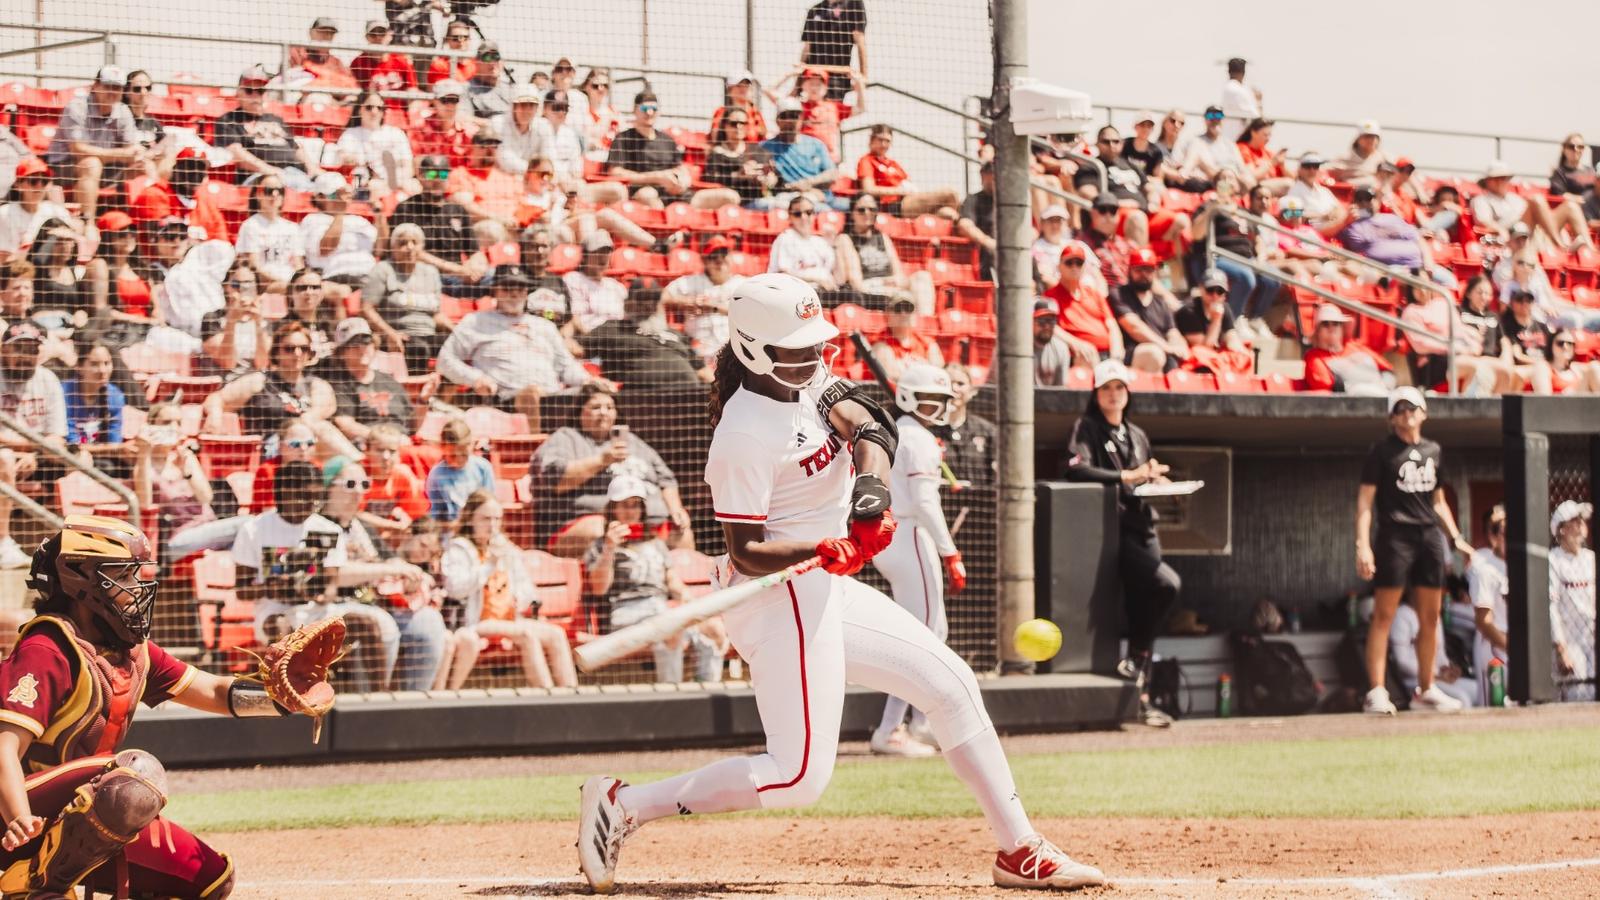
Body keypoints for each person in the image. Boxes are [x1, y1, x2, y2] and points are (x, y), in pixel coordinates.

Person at [577, 272, 1105, 893]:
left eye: (816, 346)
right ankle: (624, 803)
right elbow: (747, 552)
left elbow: (870, 423)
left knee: (952, 683)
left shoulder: (806, 377)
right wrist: (828, 546)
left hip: (823, 587)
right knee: (799, 776)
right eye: (800, 349)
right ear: (754, 350)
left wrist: (870, 495)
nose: (816, 358)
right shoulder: (743, 433)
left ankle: (1021, 850)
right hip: (778, 599)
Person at [0, 515, 332, 897]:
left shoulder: (129, 651)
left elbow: (212, 690)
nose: (138, 586)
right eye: (125, 576)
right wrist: (19, 820)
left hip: (79, 813)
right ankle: (32, 881)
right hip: (16, 815)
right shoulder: (47, 647)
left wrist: (278, 699)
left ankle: (52, 868)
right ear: (82, 580)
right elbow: (4, 748)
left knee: (210, 879)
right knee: (132, 776)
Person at [1063, 359, 1182, 728]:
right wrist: (1127, 475)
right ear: (1096, 394)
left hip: (1143, 527)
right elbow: (1076, 468)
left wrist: (1154, 480)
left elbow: (1141, 478)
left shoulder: (1138, 434)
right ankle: (1133, 668)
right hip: (1110, 531)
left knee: (1154, 595)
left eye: (1120, 388)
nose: (1114, 394)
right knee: (1165, 584)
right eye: (1106, 388)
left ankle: (1139, 684)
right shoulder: (1087, 428)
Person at [1354, 388, 1474, 715]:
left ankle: (1427, 689)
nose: (1407, 413)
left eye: (1413, 407)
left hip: (1429, 537)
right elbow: (1365, 501)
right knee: (1384, 615)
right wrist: (1363, 545)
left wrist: (1457, 538)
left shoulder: (1434, 450)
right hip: (1394, 535)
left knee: (1431, 617)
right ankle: (1376, 692)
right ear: (1391, 417)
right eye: (1400, 408)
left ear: (1424, 413)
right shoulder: (1381, 452)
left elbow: (1438, 502)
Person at [232, 460, 398, 692]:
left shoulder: (329, 529)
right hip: (274, 608)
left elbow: (331, 585)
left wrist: (323, 595)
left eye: (316, 497)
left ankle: (379, 696)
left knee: (367, 624)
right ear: (283, 493)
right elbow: (241, 590)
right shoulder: (254, 530)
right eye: (304, 496)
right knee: (281, 628)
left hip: (317, 609)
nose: (311, 504)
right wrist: (272, 588)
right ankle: (292, 694)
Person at [868, 364, 965, 755]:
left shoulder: (896, 431)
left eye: (940, 401)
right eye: (928, 400)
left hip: (894, 534)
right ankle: (890, 730)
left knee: (933, 632)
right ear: (909, 398)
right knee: (922, 639)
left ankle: (921, 722)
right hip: (908, 534)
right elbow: (925, 503)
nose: (935, 407)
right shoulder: (917, 439)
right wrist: (950, 552)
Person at [318, 455, 446, 692]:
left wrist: (412, 576)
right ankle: (373, 705)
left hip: (378, 602)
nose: (358, 492)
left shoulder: (362, 527)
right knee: (379, 624)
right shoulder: (318, 526)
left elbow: (390, 560)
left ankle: (411, 702)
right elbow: (333, 575)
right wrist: (391, 568)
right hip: (336, 607)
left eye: (364, 485)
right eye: (350, 484)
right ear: (327, 488)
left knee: (430, 621)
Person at [585, 475, 724, 684]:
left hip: (660, 609)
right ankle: (670, 699)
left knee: (712, 628)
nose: (630, 511)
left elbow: (673, 583)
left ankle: (707, 691)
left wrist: (694, 607)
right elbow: (598, 588)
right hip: (626, 613)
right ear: (612, 508)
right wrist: (609, 549)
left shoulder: (656, 542)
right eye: (624, 505)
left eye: (635, 505)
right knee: (671, 628)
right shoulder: (600, 546)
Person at [532, 382, 692, 557]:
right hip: (590, 523)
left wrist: (676, 510)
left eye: (609, 407)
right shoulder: (566, 438)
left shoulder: (631, 441)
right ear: (580, 412)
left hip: (647, 525)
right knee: (600, 530)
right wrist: (602, 460)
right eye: (596, 407)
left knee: (682, 535)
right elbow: (554, 480)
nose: (604, 412)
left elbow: (666, 480)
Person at [440, 489, 578, 689]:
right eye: (486, 519)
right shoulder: (459, 548)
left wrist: (520, 600)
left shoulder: (504, 547)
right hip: (477, 622)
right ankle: (550, 699)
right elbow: (455, 588)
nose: (492, 525)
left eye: (497, 519)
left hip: (510, 619)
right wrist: (488, 566)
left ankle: (572, 695)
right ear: (470, 519)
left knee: (556, 634)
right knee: (527, 636)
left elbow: (525, 588)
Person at [438, 265, 593, 433]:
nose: (514, 293)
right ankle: (535, 449)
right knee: (531, 394)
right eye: (507, 287)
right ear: (495, 290)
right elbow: (445, 360)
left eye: (520, 288)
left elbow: (566, 367)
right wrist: (475, 379)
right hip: (506, 399)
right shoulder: (476, 322)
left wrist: (590, 381)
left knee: (598, 395)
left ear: (527, 292)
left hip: (554, 397)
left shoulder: (544, 326)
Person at [204, 320, 361, 460]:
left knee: (314, 428)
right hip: (271, 448)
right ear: (276, 352)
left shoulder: (317, 385)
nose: (297, 354)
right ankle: (361, 466)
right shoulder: (260, 381)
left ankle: (359, 469)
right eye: (289, 349)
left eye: (303, 349)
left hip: (308, 448)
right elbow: (216, 398)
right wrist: (215, 415)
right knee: (315, 429)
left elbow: (317, 414)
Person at [0, 322, 66, 565]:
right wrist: (31, 448)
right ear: (3, 350)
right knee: (4, 458)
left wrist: (35, 456)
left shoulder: (48, 380)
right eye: (19, 350)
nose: (26, 357)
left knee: (80, 458)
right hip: (5, 457)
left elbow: (57, 436)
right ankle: (2, 543)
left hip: (36, 458)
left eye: (32, 350)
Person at [45, 65, 140, 226]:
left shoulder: (123, 110)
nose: (112, 92)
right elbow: (78, 150)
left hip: (107, 167)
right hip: (63, 167)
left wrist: (124, 155)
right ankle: (87, 223)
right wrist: (120, 154)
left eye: (116, 88)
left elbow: (133, 150)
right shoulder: (77, 106)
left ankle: (144, 226)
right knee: (91, 163)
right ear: (95, 85)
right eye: (107, 86)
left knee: (143, 164)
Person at [607, 91, 735, 211]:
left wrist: (683, 180)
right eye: (644, 109)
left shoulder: (667, 140)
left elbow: (680, 168)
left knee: (729, 196)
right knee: (647, 194)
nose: (650, 112)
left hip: (676, 193)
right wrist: (657, 178)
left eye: (654, 109)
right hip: (644, 191)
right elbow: (615, 172)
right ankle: (669, 232)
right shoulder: (623, 138)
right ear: (635, 111)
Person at [584, 279, 709, 388]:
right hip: (641, 402)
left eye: (654, 300)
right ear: (628, 303)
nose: (648, 305)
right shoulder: (613, 329)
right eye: (642, 299)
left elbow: (703, 372)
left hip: (689, 401)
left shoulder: (677, 335)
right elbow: (576, 350)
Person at [214, 66, 321, 192]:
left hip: (294, 173)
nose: (255, 96)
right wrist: (270, 170)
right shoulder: (228, 120)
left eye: (260, 91)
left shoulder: (275, 119)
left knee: (333, 184)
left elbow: (296, 148)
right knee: (276, 183)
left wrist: (312, 168)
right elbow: (237, 154)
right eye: (249, 90)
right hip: (259, 176)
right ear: (238, 93)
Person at [361, 223, 445, 375]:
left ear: (422, 246)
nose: (410, 247)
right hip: (400, 334)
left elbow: (437, 315)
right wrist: (389, 333)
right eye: (403, 243)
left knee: (456, 345)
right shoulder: (383, 269)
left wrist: (459, 333)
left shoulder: (431, 272)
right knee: (418, 349)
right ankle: (415, 395)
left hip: (429, 334)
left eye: (414, 242)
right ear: (393, 248)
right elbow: (367, 308)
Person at [325, 317, 422, 447]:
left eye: (366, 341)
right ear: (342, 353)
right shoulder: (339, 385)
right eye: (354, 343)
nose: (361, 348)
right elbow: (345, 425)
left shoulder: (389, 380)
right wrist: (386, 440)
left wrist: (424, 400)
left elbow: (412, 425)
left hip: (403, 441)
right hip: (370, 447)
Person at [131, 401, 215, 547]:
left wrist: (186, 470)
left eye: (178, 422)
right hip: (180, 536)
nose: (173, 427)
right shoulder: (144, 462)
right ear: (151, 425)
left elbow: (206, 498)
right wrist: (144, 451)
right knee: (247, 525)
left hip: (208, 527)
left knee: (250, 539)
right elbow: (144, 503)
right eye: (166, 422)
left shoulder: (185, 456)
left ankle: (265, 567)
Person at [836, 193, 935, 313]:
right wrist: (883, 282)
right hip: (869, 291)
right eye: (861, 210)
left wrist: (895, 282)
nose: (867, 213)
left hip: (892, 287)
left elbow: (899, 275)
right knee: (903, 298)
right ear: (852, 213)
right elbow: (856, 281)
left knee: (923, 277)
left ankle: (925, 324)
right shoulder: (845, 238)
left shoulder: (882, 237)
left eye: (872, 209)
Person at [390, 155, 475, 283]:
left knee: (495, 277)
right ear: (420, 177)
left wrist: (476, 268)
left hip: (458, 277)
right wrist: (456, 269)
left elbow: (474, 250)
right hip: (420, 276)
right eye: (431, 174)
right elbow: (411, 252)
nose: (437, 179)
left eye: (443, 174)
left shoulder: (457, 210)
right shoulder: (407, 208)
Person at [1473, 160, 1592, 251]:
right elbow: (1484, 221)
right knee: (1536, 200)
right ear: (1488, 181)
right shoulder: (1481, 200)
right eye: (1497, 178)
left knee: (1570, 206)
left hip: (1534, 229)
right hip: (1513, 234)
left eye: (1505, 178)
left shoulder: (1514, 198)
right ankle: (1561, 246)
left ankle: (1591, 251)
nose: (1502, 181)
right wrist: (1500, 229)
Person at [299, 173, 384, 300]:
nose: (341, 199)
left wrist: (379, 214)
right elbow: (325, 248)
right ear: (320, 197)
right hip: (336, 278)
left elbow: (380, 250)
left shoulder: (359, 220)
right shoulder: (312, 220)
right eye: (334, 195)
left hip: (370, 276)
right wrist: (340, 213)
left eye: (343, 194)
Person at [1388, 594, 1476, 708]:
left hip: (1439, 678)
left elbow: (1440, 654)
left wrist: (1448, 668)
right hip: (1413, 680)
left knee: (1478, 690)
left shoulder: (1433, 614)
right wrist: (1435, 674)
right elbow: (1402, 661)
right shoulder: (1401, 614)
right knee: (1462, 698)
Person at [663, 235, 742, 362]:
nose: (720, 260)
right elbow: (661, 296)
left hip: (733, 351)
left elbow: (753, 312)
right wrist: (687, 301)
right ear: (704, 261)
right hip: (698, 350)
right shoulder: (691, 282)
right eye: (714, 257)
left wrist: (714, 306)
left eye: (724, 255)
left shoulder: (741, 284)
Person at [1548, 500, 1596, 702]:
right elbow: (1552, 607)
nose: (1580, 525)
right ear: (1561, 530)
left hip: (1593, 637)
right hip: (1570, 641)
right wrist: (1561, 649)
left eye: (1581, 520)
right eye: (1574, 521)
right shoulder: (1553, 560)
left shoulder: (1591, 558)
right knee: (1579, 695)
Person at [1112, 247, 1187, 374]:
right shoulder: (1119, 293)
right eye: (1138, 269)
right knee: (1154, 353)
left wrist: (1179, 347)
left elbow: (1172, 332)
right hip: (1132, 354)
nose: (1144, 274)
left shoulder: (1160, 302)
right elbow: (1134, 327)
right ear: (1129, 270)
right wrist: (1166, 347)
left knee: (1177, 364)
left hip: (1163, 354)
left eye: (1148, 269)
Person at [760, 98, 843, 212]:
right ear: (777, 120)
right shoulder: (766, 147)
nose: (790, 120)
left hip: (817, 195)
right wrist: (767, 178)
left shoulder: (815, 144)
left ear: (801, 118)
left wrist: (808, 183)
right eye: (786, 116)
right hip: (785, 198)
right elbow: (762, 177)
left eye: (794, 115)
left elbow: (832, 173)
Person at [1044, 243, 1120, 365]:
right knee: (1086, 357)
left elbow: (1112, 326)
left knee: (1149, 354)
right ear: (1059, 266)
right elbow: (1049, 326)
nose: (1074, 267)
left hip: (1108, 354)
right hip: (1080, 355)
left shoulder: (1094, 293)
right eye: (1069, 263)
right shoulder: (1049, 297)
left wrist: (1117, 353)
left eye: (1079, 263)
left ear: (1084, 267)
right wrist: (1075, 342)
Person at [196, 258, 270, 381]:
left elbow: (262, 363)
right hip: (226, 382)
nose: (241, 289)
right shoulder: (212, 319)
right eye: (236, 284)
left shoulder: (266, 321)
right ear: (226, 287)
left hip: (258, 383)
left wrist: (257, 323)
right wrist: (231, 320)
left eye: (248, 284)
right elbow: (227, 363)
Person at [335, 90, 416, 201]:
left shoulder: (396, 133)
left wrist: (398, 182)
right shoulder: (350, 134)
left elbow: (408, 166)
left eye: (379, 108)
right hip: (366, 184)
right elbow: (343, 159)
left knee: (415, 186)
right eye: (369, 107)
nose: (374, 112)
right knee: (374, 186)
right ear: (359, 110)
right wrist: (356, 160)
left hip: (398, 181)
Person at [1302, 304, 1394, 394]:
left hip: (1382, 395)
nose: (1331, 328)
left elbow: (1388, 370)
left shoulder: (1355, 347)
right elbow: (1325, 385)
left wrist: (1384, 386)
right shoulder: (1313, 357)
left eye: (1335, 323)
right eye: (1325, 324)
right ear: (1318, 331)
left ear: (1342, 328)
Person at [234, 174, 303, 294]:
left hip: (292, 282)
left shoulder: (293, 228)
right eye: (268, 191)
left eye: (279, 191)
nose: (275, 195)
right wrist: (289, 284)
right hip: (265, 285)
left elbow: (299, 265)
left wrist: (300, 282)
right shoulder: (250, 226)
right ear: (257, 194)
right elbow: (254, 266)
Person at [1173, 270, 1252, 374]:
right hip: (1190, 359)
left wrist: (1240, 351)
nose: (1215, 295)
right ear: (1201, 289)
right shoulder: (1189, 310)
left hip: (1212, 357)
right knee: (1202, 354)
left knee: (1243, 355)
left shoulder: (1224, 307)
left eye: (1220, 291)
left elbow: (1232, 338)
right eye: (1210, 290)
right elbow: (1204, 348)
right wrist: (1216, 320)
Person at [1469, 504, 1510, 706]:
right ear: (1495, 537)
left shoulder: (1523, 564)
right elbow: (1483, 622)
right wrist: (1511, 647)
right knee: (1492, 707)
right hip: (1494, 646)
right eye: (1505, 532)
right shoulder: (1484, 567)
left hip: (1515, 646)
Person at [768, 195, 844, 301]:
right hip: (796, 295)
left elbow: (840, 279)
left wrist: (835, 245)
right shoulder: (785, 238)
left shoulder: (820, 242)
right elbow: (782, 275)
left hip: (824, 293)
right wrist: (817, 279)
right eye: (797, 214)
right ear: (789, 217)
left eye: (808, 212)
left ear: (814, 214)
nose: (804, 217)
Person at [702, 108, 776, 206]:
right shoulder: (716, 153)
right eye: (733, 123)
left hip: (760, 200)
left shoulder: (759, 150)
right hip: (730, 204)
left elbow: (775, 177)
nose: (738, 126)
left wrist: (769, 178)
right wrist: (738, 176)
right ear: (724, 126)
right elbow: (709, 178)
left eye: (743, 123)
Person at [425, 417, 495, 522]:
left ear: (471, 445)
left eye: (464, 454)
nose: (458, 460)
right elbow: (435, 517)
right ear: (442, 448)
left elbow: (490, 506)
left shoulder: (483, 468)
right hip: (450, 531)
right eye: (452, 456)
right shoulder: (437, 475)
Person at [62, 340, 124, 455]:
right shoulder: (64, 394)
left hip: (103, 459)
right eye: (94, 364)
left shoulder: (115, 395)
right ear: (79, 367)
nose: (103, 370)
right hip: (70, 459)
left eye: (107, 363)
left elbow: (114, 441)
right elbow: (72, 447)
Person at [563, 231, 629, 337]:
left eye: (607, 251)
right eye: (598, 251)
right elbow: (575, 319)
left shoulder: (616, 286)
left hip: (619, 337)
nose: (603, 256)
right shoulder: (574, 279)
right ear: (585, 256)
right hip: (592, 338)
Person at [798, 0, 867, 101]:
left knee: (830, 112)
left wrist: (863, 76)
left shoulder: (854, 4)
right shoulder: (815, 10)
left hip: (837, 79)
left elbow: (860, 41)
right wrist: (797, 83)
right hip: (813, 77)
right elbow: (807, 48)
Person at [872, 296, 944, 381]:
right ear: (887, 314)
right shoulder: (880, 345)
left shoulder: (928, 344)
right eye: (898, 309)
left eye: (908, 309)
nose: (903, 314)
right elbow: (890, 378)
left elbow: (938, 376)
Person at [411, 80, 475, 169]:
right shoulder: (420, 128)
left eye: (454, 100)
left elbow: (471, 167)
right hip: (429, 179)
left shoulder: (468, 132)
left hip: (457, 180)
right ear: (434, 101)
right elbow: (416, 162)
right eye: (445, 100)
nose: (450, 105)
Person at [350, 19, 417, 101]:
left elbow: (412, 90)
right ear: (367, 37)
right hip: (373, 110)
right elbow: (354, 93)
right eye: (373, 34)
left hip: (397, 111)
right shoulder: (358, 63)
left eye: (382, 33)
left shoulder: (401, 60)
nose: (378, 37)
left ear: (390, 35)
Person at [710, 71, 767, 144]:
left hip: (751, 154)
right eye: (739, 85)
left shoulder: (755, 113)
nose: (744, 89)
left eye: (747, 85)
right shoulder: (721, 112)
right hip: (728, 153)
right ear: (729, 89)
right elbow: (715, 139)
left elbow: (763, 138)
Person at [464, 42, 515, 122]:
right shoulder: (466, 89)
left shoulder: (512, 89)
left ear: (502, 62)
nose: (492, 62)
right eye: (487, 58)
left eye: (496, 57)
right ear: (476, 62)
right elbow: (464, 119)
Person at [1218, 57, 1260, 146]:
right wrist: (1258, 101)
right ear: (1243, 73)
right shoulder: (1237, 89)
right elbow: (1255, 116)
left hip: (1231, 136)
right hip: (1236, 138)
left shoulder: (1230, 87)